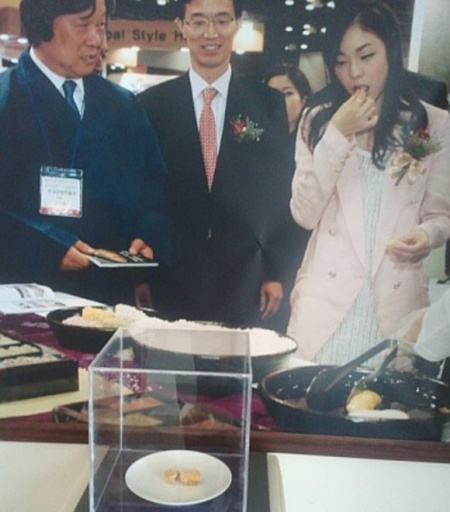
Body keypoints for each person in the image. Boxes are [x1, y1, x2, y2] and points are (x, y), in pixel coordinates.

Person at [287, 0, 450, 364]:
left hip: (395, 310)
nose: (354, 73)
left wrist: (426, 236)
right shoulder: (317, 119)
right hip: (324, 313)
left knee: (385, 398)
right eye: (341, 61)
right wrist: (338, 132)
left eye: (366, 56)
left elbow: (441, 215)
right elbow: (304, 213)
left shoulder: (433, 123)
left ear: (391, 51)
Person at [0, 0, 170, 306]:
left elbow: (153, 187)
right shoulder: (5, 99)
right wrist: (46, 247)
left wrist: (147, 236)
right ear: (42, 23)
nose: (97, 41)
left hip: (111, 299)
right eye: (83, 24)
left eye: (101, 25)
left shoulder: (123, 106)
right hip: (24, 300)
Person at [138, 0, 291, 327]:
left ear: (237, 23)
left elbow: (279, 193)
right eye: (198, 21)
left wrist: (274, 270)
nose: (211, 33)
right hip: (170, 278)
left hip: (245, 281)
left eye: (222, 20)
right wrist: (139, 274)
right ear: (181, 26)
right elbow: (142, 194)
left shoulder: (267, 105)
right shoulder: (151, 105)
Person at [263, 63, 312, 331]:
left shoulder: (313, 146)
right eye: (272, 94)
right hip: (259, 263)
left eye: (287, 93)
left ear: (304, 99)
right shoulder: (254, 145)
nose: (279, 101)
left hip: (298, 257)